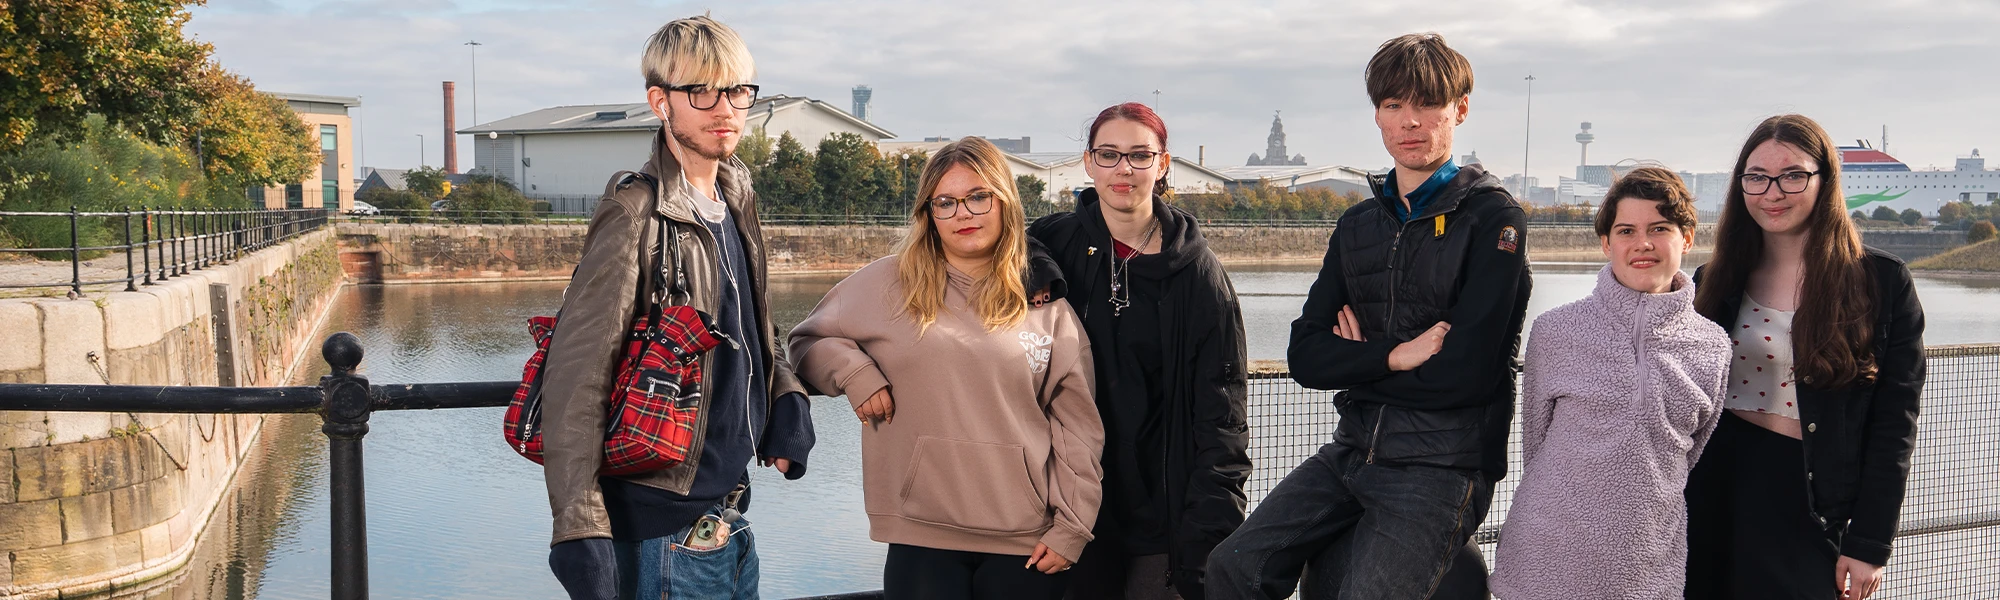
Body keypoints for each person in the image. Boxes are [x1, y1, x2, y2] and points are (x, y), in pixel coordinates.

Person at [1207, 32, 1532, 600]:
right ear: (1377, 115)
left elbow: (1466, 376)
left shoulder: (1493, 219)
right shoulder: (1358, 225)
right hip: (1353, 450)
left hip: (1442, 466)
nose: (1410, 121)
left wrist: (1355, 365)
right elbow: (1306, 357)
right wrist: (1396, 356)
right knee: (1234, 568)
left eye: (1427, 104)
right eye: (1393, 104)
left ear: (1459, 109)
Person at [538, 15, 815, 600]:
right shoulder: (635, 213)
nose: (725, 109)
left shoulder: (735, 197)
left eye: (737, 91)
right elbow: (576, 374)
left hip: (726, 515)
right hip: (659, 529)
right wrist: (579, 530)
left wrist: (786, 393)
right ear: (660, 101)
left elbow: (753, 323)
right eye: (701, 92)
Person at [789, 137, 1105, 600]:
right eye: (946, 202)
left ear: (1004, 202)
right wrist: (855, 373)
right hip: (920, 535)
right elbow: (805, 342)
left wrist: (1073, 527)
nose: (963, 213)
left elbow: (1078, 430)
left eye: (978, 197)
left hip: (1028, 542)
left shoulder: (1046, 304)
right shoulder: (886, 282)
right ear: (929, 213)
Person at [1684, 114, 1925, 600]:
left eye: (1793, 175)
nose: (1772, 192)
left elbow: (1894, 423)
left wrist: (1870, 542)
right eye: (1757, 177)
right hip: (1709, 485)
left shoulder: (1881, 282)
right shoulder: (1713, 280)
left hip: (1810, 498)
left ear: (1825, 180)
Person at [1028, 102, 1251, 600]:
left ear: (1163, 164)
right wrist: (1037, 267)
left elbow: (1223, 419)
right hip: (1066, 508)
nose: (1123, 169)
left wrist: (1207, 536)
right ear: (1088, 163)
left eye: (1139, 155)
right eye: (1108, 154)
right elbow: (980, 249)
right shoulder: (1053, 241)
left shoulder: (1200, 278)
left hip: (1161, 519)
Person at [1487, 167, 1731, 598]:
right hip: (1544, 562)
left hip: (1646, 570)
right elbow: (1536, 445)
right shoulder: (1556, 331)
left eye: (1660, 228)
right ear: (1606, 243)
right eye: (1626, 231)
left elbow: (1688, 455)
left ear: (1688, 238)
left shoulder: (1713, 346)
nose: (1643, 243)